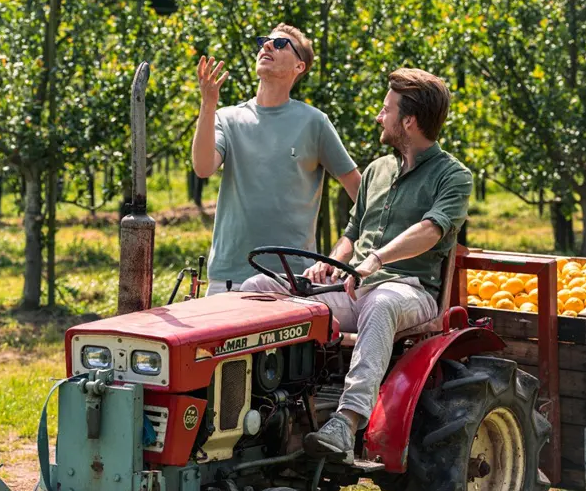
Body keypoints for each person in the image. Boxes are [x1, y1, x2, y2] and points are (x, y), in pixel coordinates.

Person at [241, 68, 473, 463]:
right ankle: (255, 407)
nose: (379, 117)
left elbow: (431, 230)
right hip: (353, 288)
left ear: (409, 121)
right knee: (258, 290)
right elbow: (351, 233)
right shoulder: (376, 171)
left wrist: (377, 259)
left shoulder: (454, 176)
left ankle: (345, 424)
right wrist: (334, 262)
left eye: (386, 110)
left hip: (409, 291)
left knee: (381, 304)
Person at [192, 23, 361, 296]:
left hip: (291, 281)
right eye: (264, 42)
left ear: (299, 66)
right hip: (228, 279)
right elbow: (202, 168)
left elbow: (361, 196)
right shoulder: (227, 118)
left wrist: (341, 254)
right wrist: (208, 104)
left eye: (280, 44)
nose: (267, 45)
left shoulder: (315, 122)